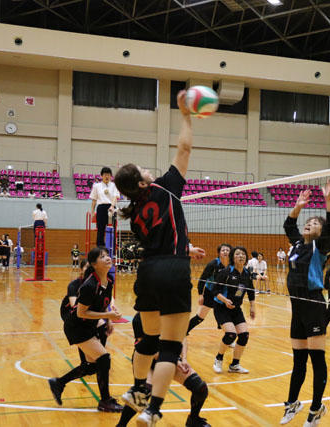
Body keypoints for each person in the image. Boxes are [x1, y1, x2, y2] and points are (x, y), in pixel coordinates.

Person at [115, 90, 205, 425]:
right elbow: (185, 148)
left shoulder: (133, 213)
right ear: (141, 182)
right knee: (170, 347)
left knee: (149, 339)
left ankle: (138, 388)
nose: (148, 169)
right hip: (173, 270)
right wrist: (185, 115)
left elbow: (159, 239)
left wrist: (186, 248)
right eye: (142, 169)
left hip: (148, 272)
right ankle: (153, 409)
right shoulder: (166, 187)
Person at [280, 178, 330, 427]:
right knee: (298, 360)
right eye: (308, 221)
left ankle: (316, 408)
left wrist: (327, 200)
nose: (308, 224)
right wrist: (298, 205)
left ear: (320, 232)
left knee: (317, 360)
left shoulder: (319, 247)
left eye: (314, 223)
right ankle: (292, 403)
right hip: (297, 308)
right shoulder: (297, 244)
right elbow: (288, 224)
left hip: (313, 305)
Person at [49, 246, 123, 411]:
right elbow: (81, 312)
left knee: (93, 366)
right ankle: (105, 401)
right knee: (104, 358)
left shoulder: (109, 280)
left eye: (107, 255)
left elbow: (104, 303)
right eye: (102, 256)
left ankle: (58, 383)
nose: (108, 258)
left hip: (88, 325)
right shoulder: (89, 285)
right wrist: (108, 316)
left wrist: (108, 319)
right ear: (94, 264)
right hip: (76, 327)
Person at [116, 313, 210, 427]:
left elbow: (182, 337)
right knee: (142, 393)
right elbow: (146, 348)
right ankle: (121, 425)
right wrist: (175, 360)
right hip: (147, 359)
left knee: (200, 388)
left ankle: (193, 420)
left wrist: (184, 359)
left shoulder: (173, 313)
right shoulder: (140, 317)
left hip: (170, 357)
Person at [212, 246, 256, 374]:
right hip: (221, 308)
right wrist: (225, 300)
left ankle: (235, 365)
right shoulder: (226, 272)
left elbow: (251, 291)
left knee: (244, 335)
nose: (241, 256)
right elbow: (215, 291)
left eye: (243, 254)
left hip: (236, 309)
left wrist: (252, 306)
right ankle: (218, 359)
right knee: (231, 334)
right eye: (237, 254)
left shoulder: (247, 274)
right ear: (232, 257)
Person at [187, 243, 232, 335]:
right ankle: (184, 331)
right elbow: (202, 279)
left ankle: (229, 335)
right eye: (223, 250)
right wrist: (201, 295)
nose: (225, 252)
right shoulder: (213, 264)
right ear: (219, 253)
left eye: (227, 250)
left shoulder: (232, 265)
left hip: (222, 294)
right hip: (210, 293)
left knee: (226, 316)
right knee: (200, 317)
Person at [90, 167, 120, 247]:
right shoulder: (96, 186)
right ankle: (100, 249)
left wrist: (112, 206)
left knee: (112, 229)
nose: (107, 176)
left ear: (111, 176)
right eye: (105, 175)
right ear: (101, 176)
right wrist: (92, 211)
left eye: (108, 175)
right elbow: (94, 200)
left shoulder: (114, 185)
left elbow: (115, 197)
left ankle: (111, 248)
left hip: (111, 208)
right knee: (100, 230)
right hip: (101, 208)